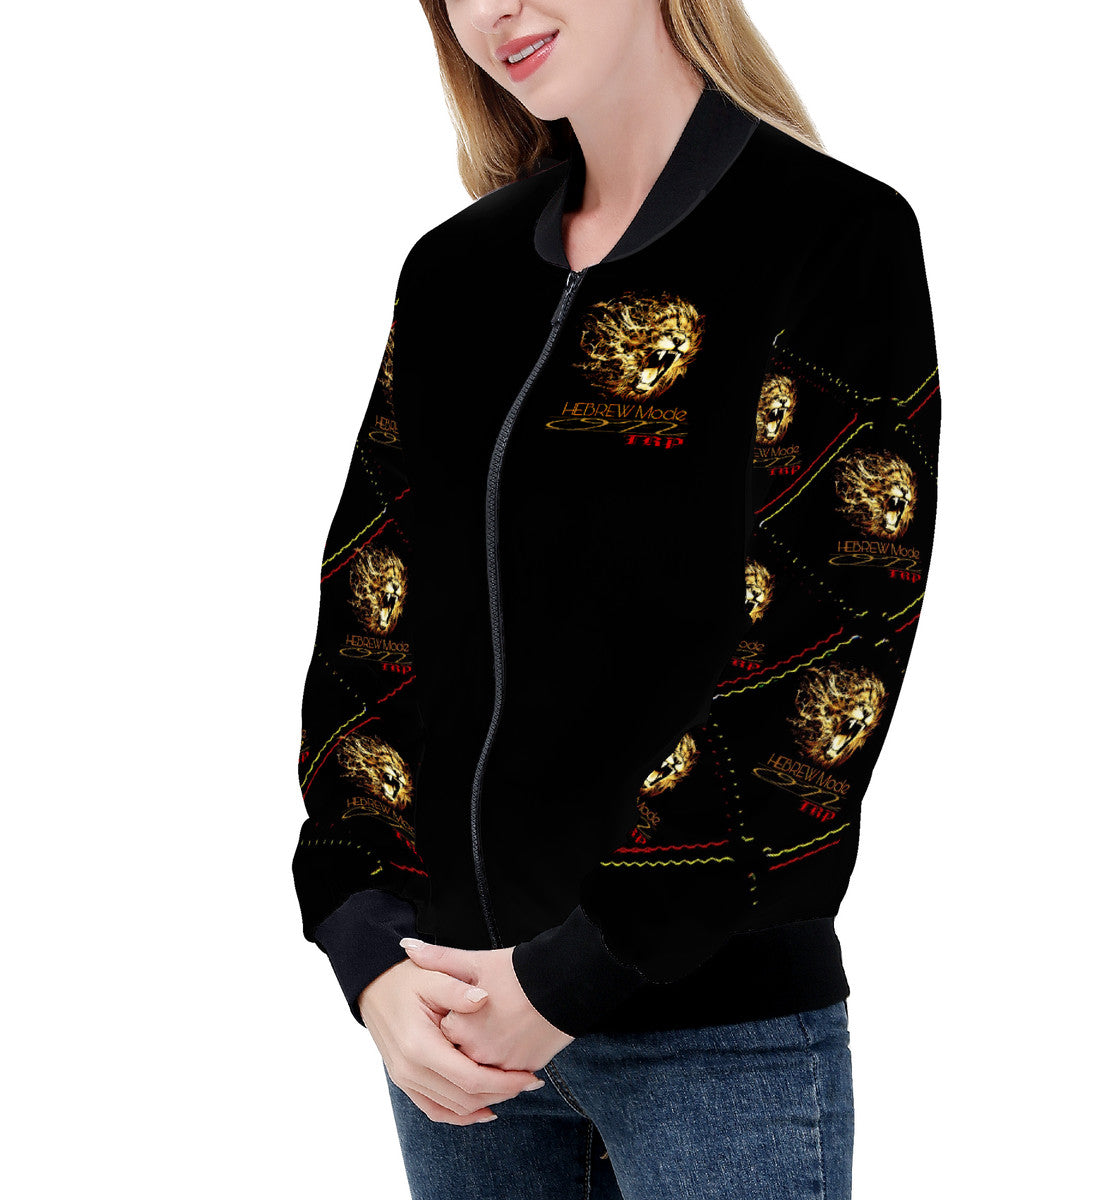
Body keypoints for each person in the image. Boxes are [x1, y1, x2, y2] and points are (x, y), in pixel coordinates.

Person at [290, 1, 941, 1195]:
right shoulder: (454, 274)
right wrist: (368, 945)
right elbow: (369, 621)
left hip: (716, 1041)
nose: (498, 10)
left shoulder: (829, 234)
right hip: (458, 1042)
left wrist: (575, 970)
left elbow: (831, 637)